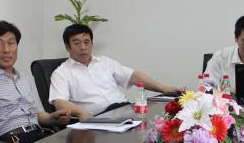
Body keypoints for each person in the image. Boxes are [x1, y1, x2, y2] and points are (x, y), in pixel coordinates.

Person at [48, 24, 183, 120]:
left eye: (86, 42)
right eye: (77, 43)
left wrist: (163, 88)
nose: (83, 47)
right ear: (67, 47)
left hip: (125, 110)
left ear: (92, 44)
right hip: (100, 119)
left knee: (167, 117)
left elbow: (133, 76)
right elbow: (59, 102)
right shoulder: (62, 73)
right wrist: (81, 113)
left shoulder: (105, 62)